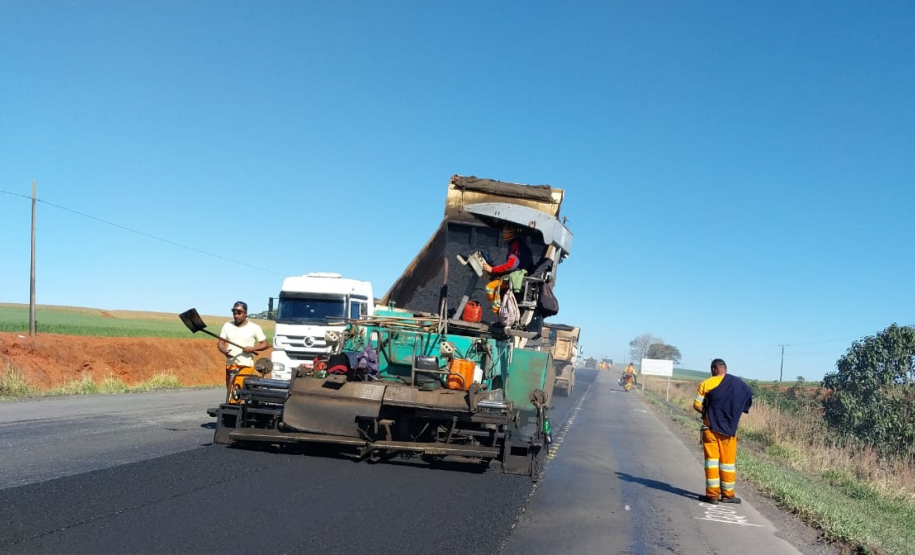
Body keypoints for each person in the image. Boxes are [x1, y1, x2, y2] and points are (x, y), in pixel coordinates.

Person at [693, 358, 753, 505]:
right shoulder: (740, 385)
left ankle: (712, 496)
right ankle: (728, 495)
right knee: (728, 464)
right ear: (725, 369)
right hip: (729, 431)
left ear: (714, 369)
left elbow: (696, 405)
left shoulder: (706, 384)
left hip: (710, 428)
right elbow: (747, 402)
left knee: (712, 463)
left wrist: (707, 414)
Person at [218, 301, 270, 401]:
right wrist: (224, 351)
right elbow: (220, 343)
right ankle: (232, 411)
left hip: (245, 366)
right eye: (234, 312)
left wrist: (252, 348)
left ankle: (232, 411)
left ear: (245, 313)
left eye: (239, 312)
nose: (236, 315)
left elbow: (265, 344)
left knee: (236, 392)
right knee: (230, 392)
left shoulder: (254, 327)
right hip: (230, 365)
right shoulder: (227, 325)